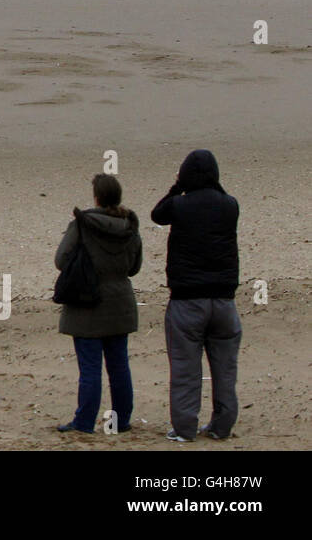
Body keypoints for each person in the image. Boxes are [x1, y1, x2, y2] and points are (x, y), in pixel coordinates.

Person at [151, 149, 241, 441]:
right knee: (225, 370)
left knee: (186, 369)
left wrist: (178, 186)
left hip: (187, 300)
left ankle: (185, 428)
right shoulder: (230, 205)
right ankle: (222, 426)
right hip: (224, 300)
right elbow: (221, 196)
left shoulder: (180, 205)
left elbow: (157, 214)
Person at [55, 173, 142, 435]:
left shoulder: (82, 224)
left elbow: (61, 260)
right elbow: (135, 266)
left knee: (90, 368)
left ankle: (84, 422)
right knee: (118, 366)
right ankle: (120, 421)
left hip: (87, 301)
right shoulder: (129, 226)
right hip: (120, 302)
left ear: (96, 197)